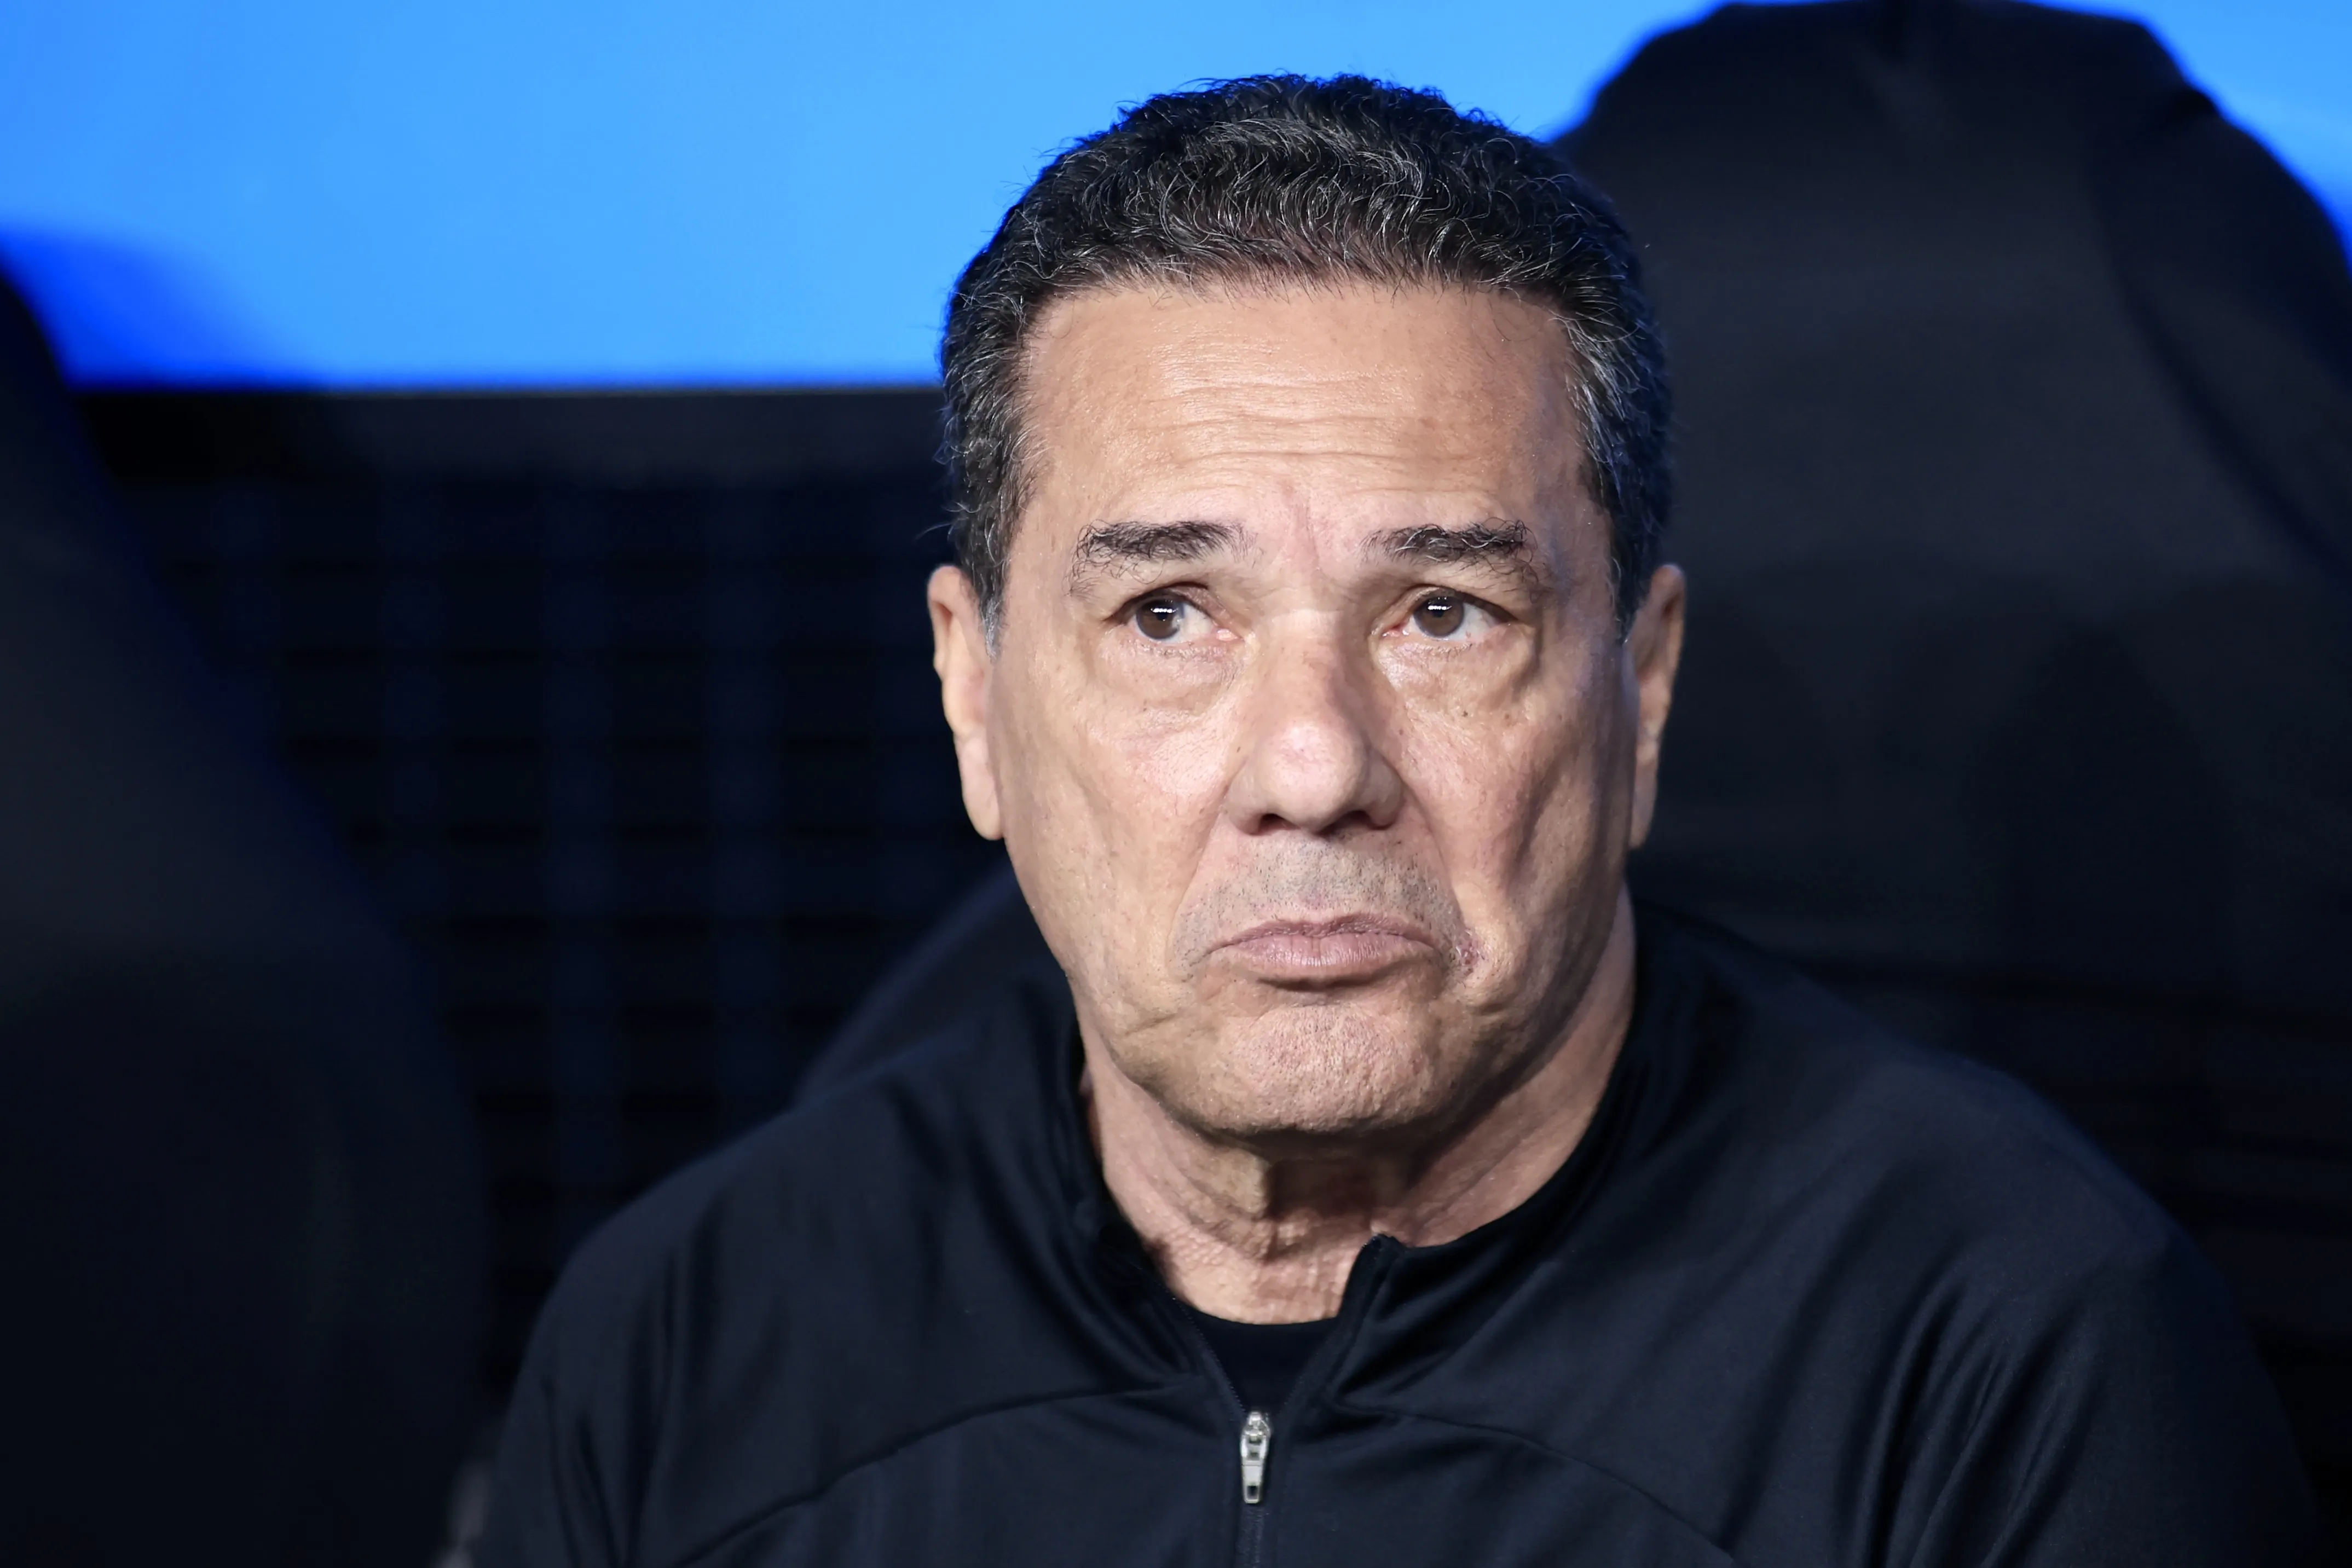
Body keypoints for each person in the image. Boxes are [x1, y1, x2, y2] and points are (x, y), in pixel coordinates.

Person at [479, 76, 2322, 1565]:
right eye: (1169, 618)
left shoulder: (2005, 1353)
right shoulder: (690, 1343)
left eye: (1443, 614)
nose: (1312, 766)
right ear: (975, 696)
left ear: (1642, 686)